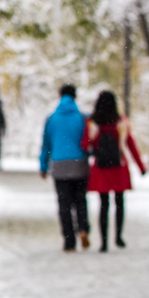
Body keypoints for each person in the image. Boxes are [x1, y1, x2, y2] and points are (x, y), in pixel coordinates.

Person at [81, 90, 147, 252]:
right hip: (119, 167)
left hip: (101, 168)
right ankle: (118, 237)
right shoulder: (120, 122)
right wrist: (141, 166)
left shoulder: (93, 123)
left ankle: (103, 242)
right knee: (119, 203)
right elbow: (131, 145)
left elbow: (85, 145)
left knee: (103, 205)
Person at [39, 84, 91, 252]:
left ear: (59, 96)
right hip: (80, 165)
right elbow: (89, 143)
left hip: (59, 166)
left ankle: (69, 240)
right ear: (75, 97)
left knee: (64, 204)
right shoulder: (83, 118)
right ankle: (83, 229)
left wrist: (43, 165)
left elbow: (46, 145)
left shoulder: (51, 119)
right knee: (80, 201)